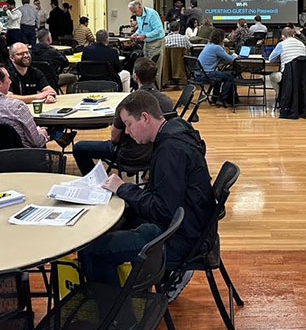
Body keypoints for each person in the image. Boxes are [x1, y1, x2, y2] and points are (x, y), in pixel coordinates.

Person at [78, 91, 215, 286]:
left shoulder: (170, 151)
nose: (126, 132)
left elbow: (162, 210)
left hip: (181, 238)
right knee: (120, 221)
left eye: (128, 124)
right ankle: (131, 290)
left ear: (144, 117)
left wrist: (123, 188)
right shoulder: (175, 131)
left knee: (92, 250)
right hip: (189, 224)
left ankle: (112, 304)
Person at [72, 58, 173, 174]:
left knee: (79, 147)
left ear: (135, 76)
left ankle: (95, 181)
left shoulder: (127, 104)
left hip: (128, 156)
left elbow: (114, 138)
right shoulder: (167, 101)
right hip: (156, 154)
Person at [0, 65, 50, 148]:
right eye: (8, 78)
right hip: (19, 154)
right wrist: (42, 134)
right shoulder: (17, 107)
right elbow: (37, 142)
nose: (10, 82)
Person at [197, 28, 235, 105]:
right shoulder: (217, 48)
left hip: (199, 73)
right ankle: (222, 98)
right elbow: (231, 59)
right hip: (206, 74)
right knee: (230, 77)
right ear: (221, 38)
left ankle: (215, 98)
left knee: (219, 76)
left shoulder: (209, 45)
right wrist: (236, 56)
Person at [267, 26, 306, 94]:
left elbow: (271, 59)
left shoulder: (281, 44)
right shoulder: (302, 44)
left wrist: (280, 58)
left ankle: (280, 96)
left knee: (272, 76)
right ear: (293, 35)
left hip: (287, 75)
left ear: (282, 36)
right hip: (302, 75)